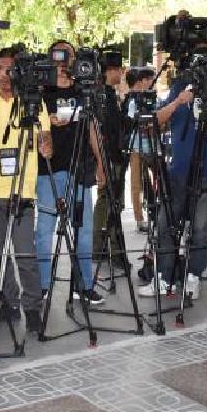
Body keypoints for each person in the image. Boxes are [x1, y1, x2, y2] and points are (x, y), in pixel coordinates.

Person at [146, 60, 207, 300]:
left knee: (201, 228)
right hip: (178, 170)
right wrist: (179, 101)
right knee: (165, 222)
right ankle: (163, 277)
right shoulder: (180, 87)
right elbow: (157, 120)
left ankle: (193, 276)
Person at [0, 47, 52, 333]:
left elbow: (46, 141)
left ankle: (33, 307)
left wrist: (46, 144)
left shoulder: (33, 102)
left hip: (22, 191)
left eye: (10, 68)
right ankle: (10, 304)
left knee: (25, 255)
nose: (5, 74)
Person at [36, 40, 106, 306]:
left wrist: (101, 163)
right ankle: (42, 285)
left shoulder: (83, 91)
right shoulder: (42, 93)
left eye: (69, 56)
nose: (63, 62)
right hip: (48, 170)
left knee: (84, 230)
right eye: (58, 56)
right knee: (44, 230)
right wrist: (47, 130)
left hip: (79, 170)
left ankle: (84, 285)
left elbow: (92, 131)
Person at [92, 50, 129, 269]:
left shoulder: (106, 94)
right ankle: (112, 250)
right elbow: (109, 130)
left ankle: (100, 247)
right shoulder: (104, 96)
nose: (121, 74)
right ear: (111, 71)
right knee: (113, 203)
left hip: (111, 157)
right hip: (109, 157)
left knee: (106, 202)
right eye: (119, 69)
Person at [125, 67, 155, 233]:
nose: (151, 83)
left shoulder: (153, 98)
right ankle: (139, 219)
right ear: (142, 81)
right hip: (136, 145)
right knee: (136, 183)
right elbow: (133, 121)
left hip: (151, 144)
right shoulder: (132, 100)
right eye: (149, 79)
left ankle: (157, 213)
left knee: (157, 179)